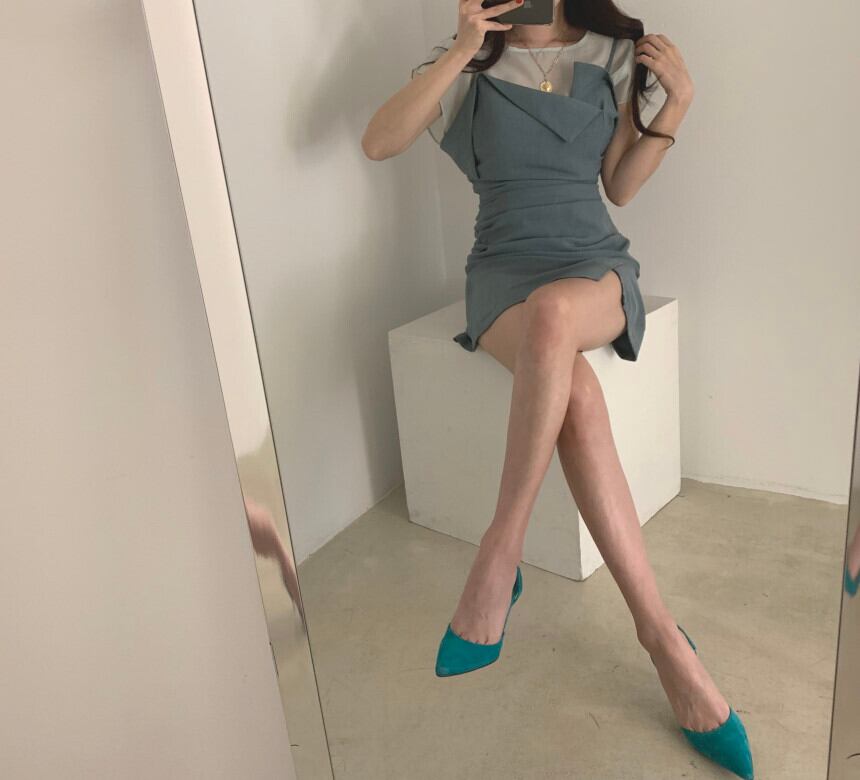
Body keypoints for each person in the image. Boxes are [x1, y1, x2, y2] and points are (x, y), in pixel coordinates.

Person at [362, 2, 753, 777]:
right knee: (573, 386)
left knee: (555, 314)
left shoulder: (614, 53)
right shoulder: (466, 59)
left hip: (592, 270)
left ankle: (497, 557)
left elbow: (620, 185)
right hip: (502, 271)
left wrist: (675, 106)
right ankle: (662, 639)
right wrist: (463, 48)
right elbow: (379, 141)